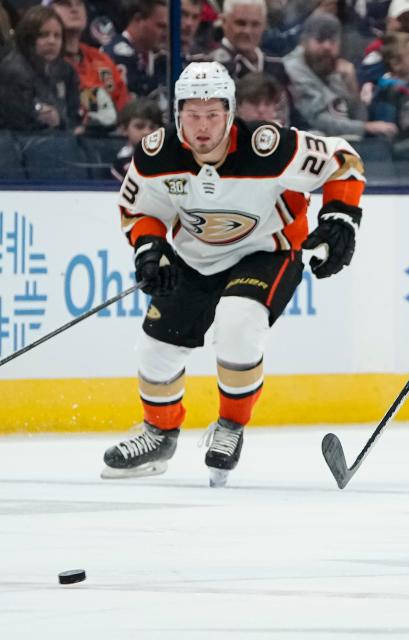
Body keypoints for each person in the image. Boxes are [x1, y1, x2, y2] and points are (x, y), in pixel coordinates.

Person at [103, 61, 366, 486]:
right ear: (176, 115)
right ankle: (159, 433)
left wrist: (340, 217)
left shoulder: (269, 147)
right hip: (194, 258)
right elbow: (139, 209)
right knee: (155, 350)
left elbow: (343, 160)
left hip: (267, 251)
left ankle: (229, 426)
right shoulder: (156, 154)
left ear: (230, 112)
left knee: (238, 319)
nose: (203, 127)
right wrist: (150, 246)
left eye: (213, 114)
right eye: (192, 115)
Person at [48, 0, 130, 131]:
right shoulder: (44, 62)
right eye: (64, 3)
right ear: (46, 11)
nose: (75, 9)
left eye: (79, 3)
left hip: (106, 142)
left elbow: (125, 110)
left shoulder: (101, 60)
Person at [0, 5, 81, 132]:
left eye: (57, 36)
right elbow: (18, 123)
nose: (52, 41)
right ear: (28, 38)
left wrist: (61, 120)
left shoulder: (66, 70)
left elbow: (74, 114)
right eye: (44, 35)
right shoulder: (13, 71)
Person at [111, 98, 164, 180]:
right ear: (124, 129)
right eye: (139, 126)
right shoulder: (118, 163)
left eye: (153, 127)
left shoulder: (169, 159)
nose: (147, 132)